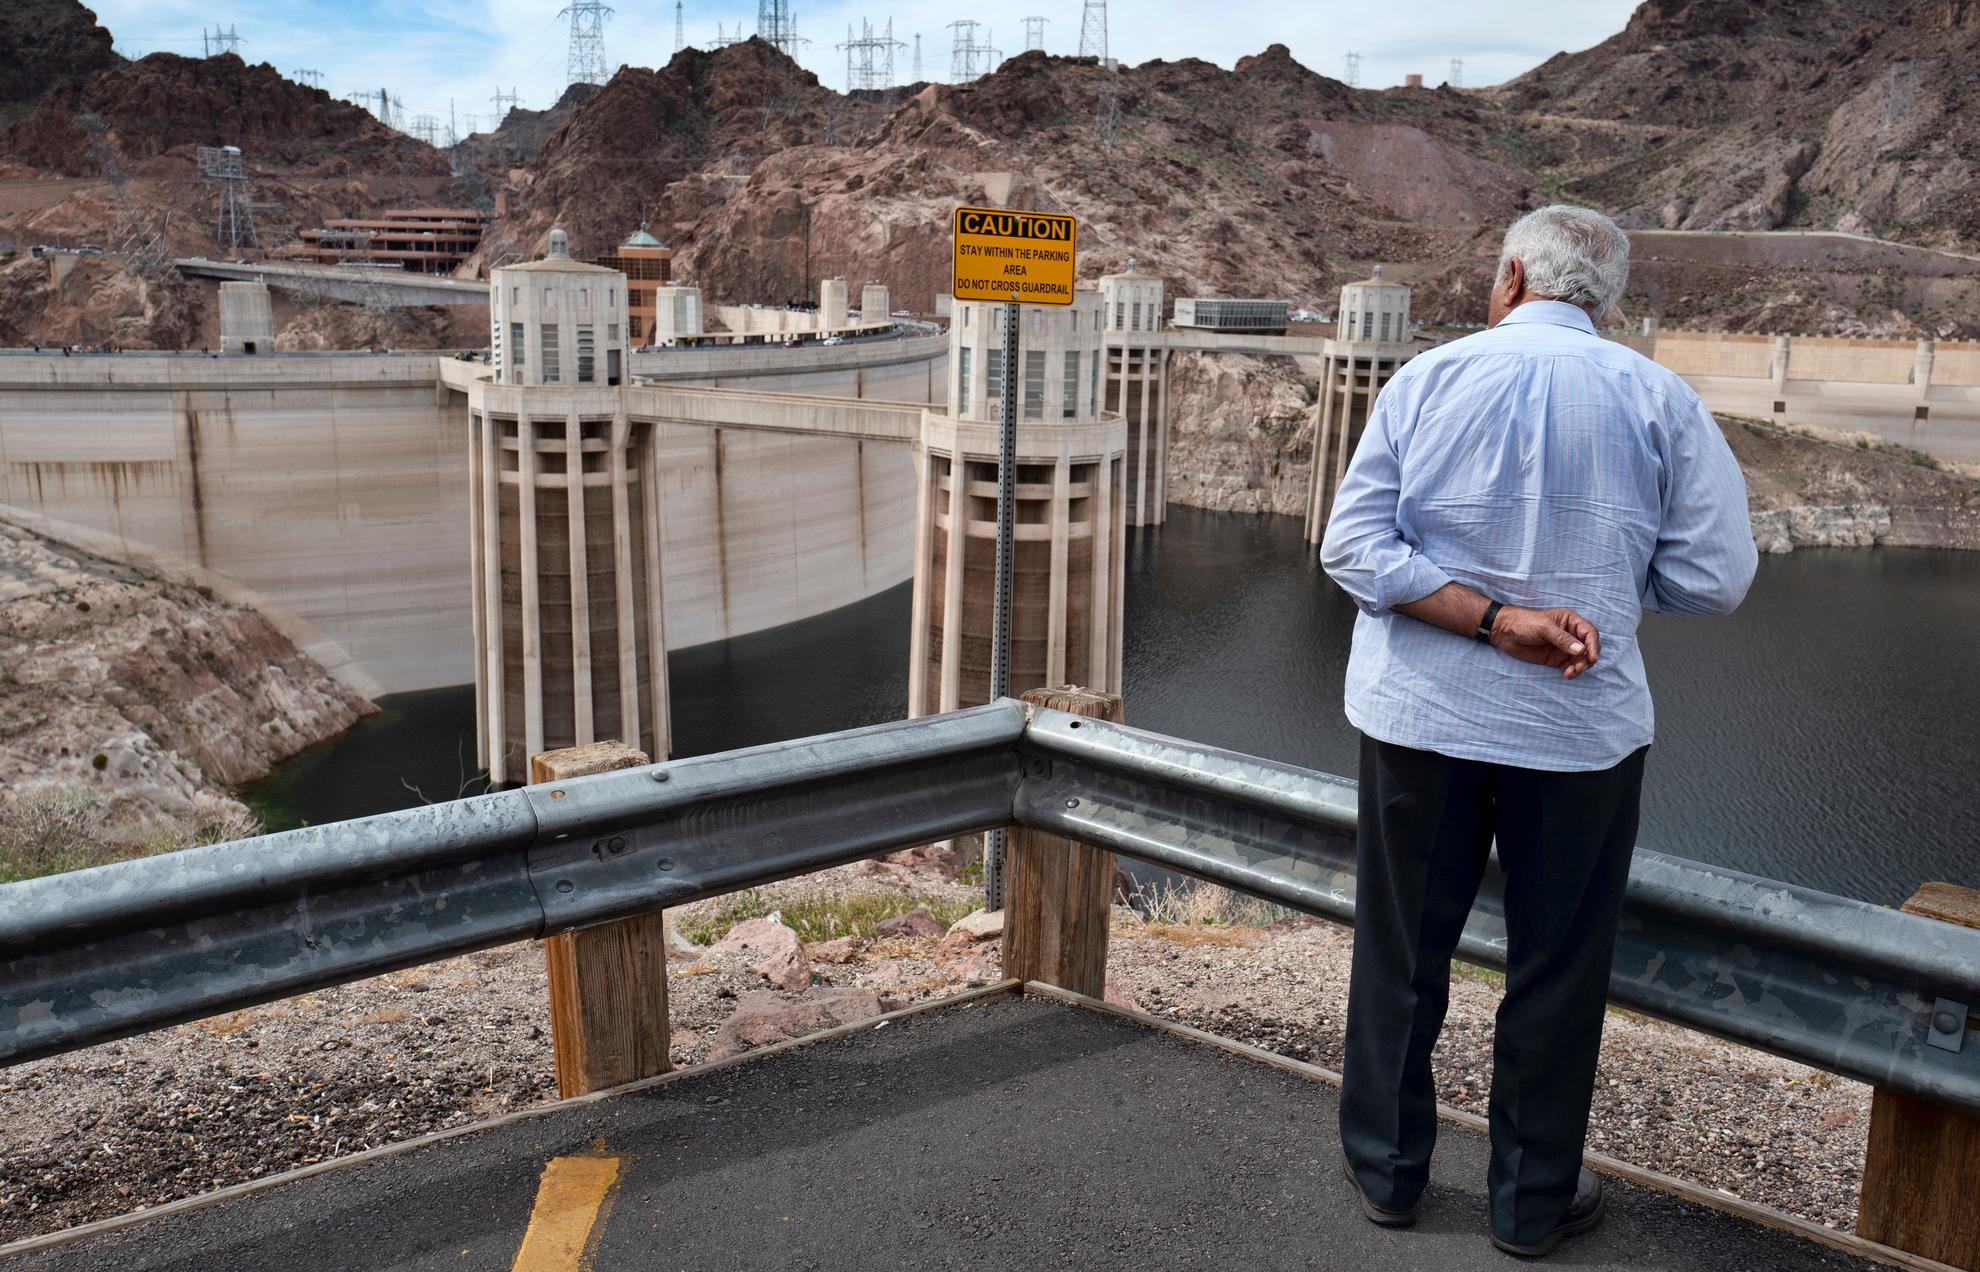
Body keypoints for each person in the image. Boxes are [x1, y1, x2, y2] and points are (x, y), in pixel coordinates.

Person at [1321, 204, 1757, 1258]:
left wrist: (1486, 617)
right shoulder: (1660, 398)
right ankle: (1529, 1205)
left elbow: (1353, 547)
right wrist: (1595, 586)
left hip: (1420, 721)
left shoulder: (1428, 380)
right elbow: (1716, 578)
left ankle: (1387, 1173)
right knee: (1556, 970)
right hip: (1577, 739)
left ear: (1512, 278)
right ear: (1602, 300)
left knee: (1401, 951)